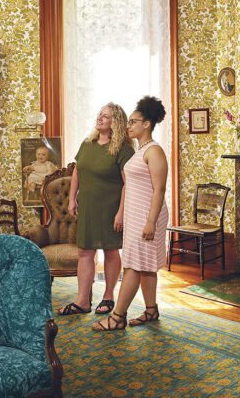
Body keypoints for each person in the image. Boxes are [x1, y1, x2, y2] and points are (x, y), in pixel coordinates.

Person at [93, 96, 168, 331]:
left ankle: (117, 317)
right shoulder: (140, 150)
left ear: (147, 124)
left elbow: (159, 190)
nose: (129, 125)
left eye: (133, 122)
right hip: (137, 215)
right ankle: (151, 310)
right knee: (145, 265)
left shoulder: (154, 151)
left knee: (133, 266)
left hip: (148, 215)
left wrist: (151, 222)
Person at [58, 103, 135, 316]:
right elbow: (77, 172)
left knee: (110, 250)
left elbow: (128, 183)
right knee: (85, 251)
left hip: (111, 209)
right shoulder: (87, 144)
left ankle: (108, 296)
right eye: (100, 114)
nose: (99, 118)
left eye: (106, 116)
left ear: (116, 122)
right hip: (88, 208)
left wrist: (121, 213)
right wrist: (72, 199)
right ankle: (82, 301)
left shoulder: (123, 149)